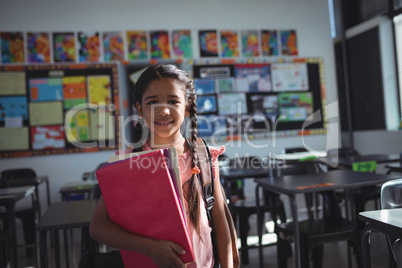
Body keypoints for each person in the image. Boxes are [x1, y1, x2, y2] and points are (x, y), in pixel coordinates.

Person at [90, 63, 234, 268]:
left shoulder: (204, 157)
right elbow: (97, 227)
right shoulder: (129, 163)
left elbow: (220, 222)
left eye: (173, 101)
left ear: (186, 107)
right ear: (140, 109)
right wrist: (150, 247)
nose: (163, 110)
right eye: (152, 102)